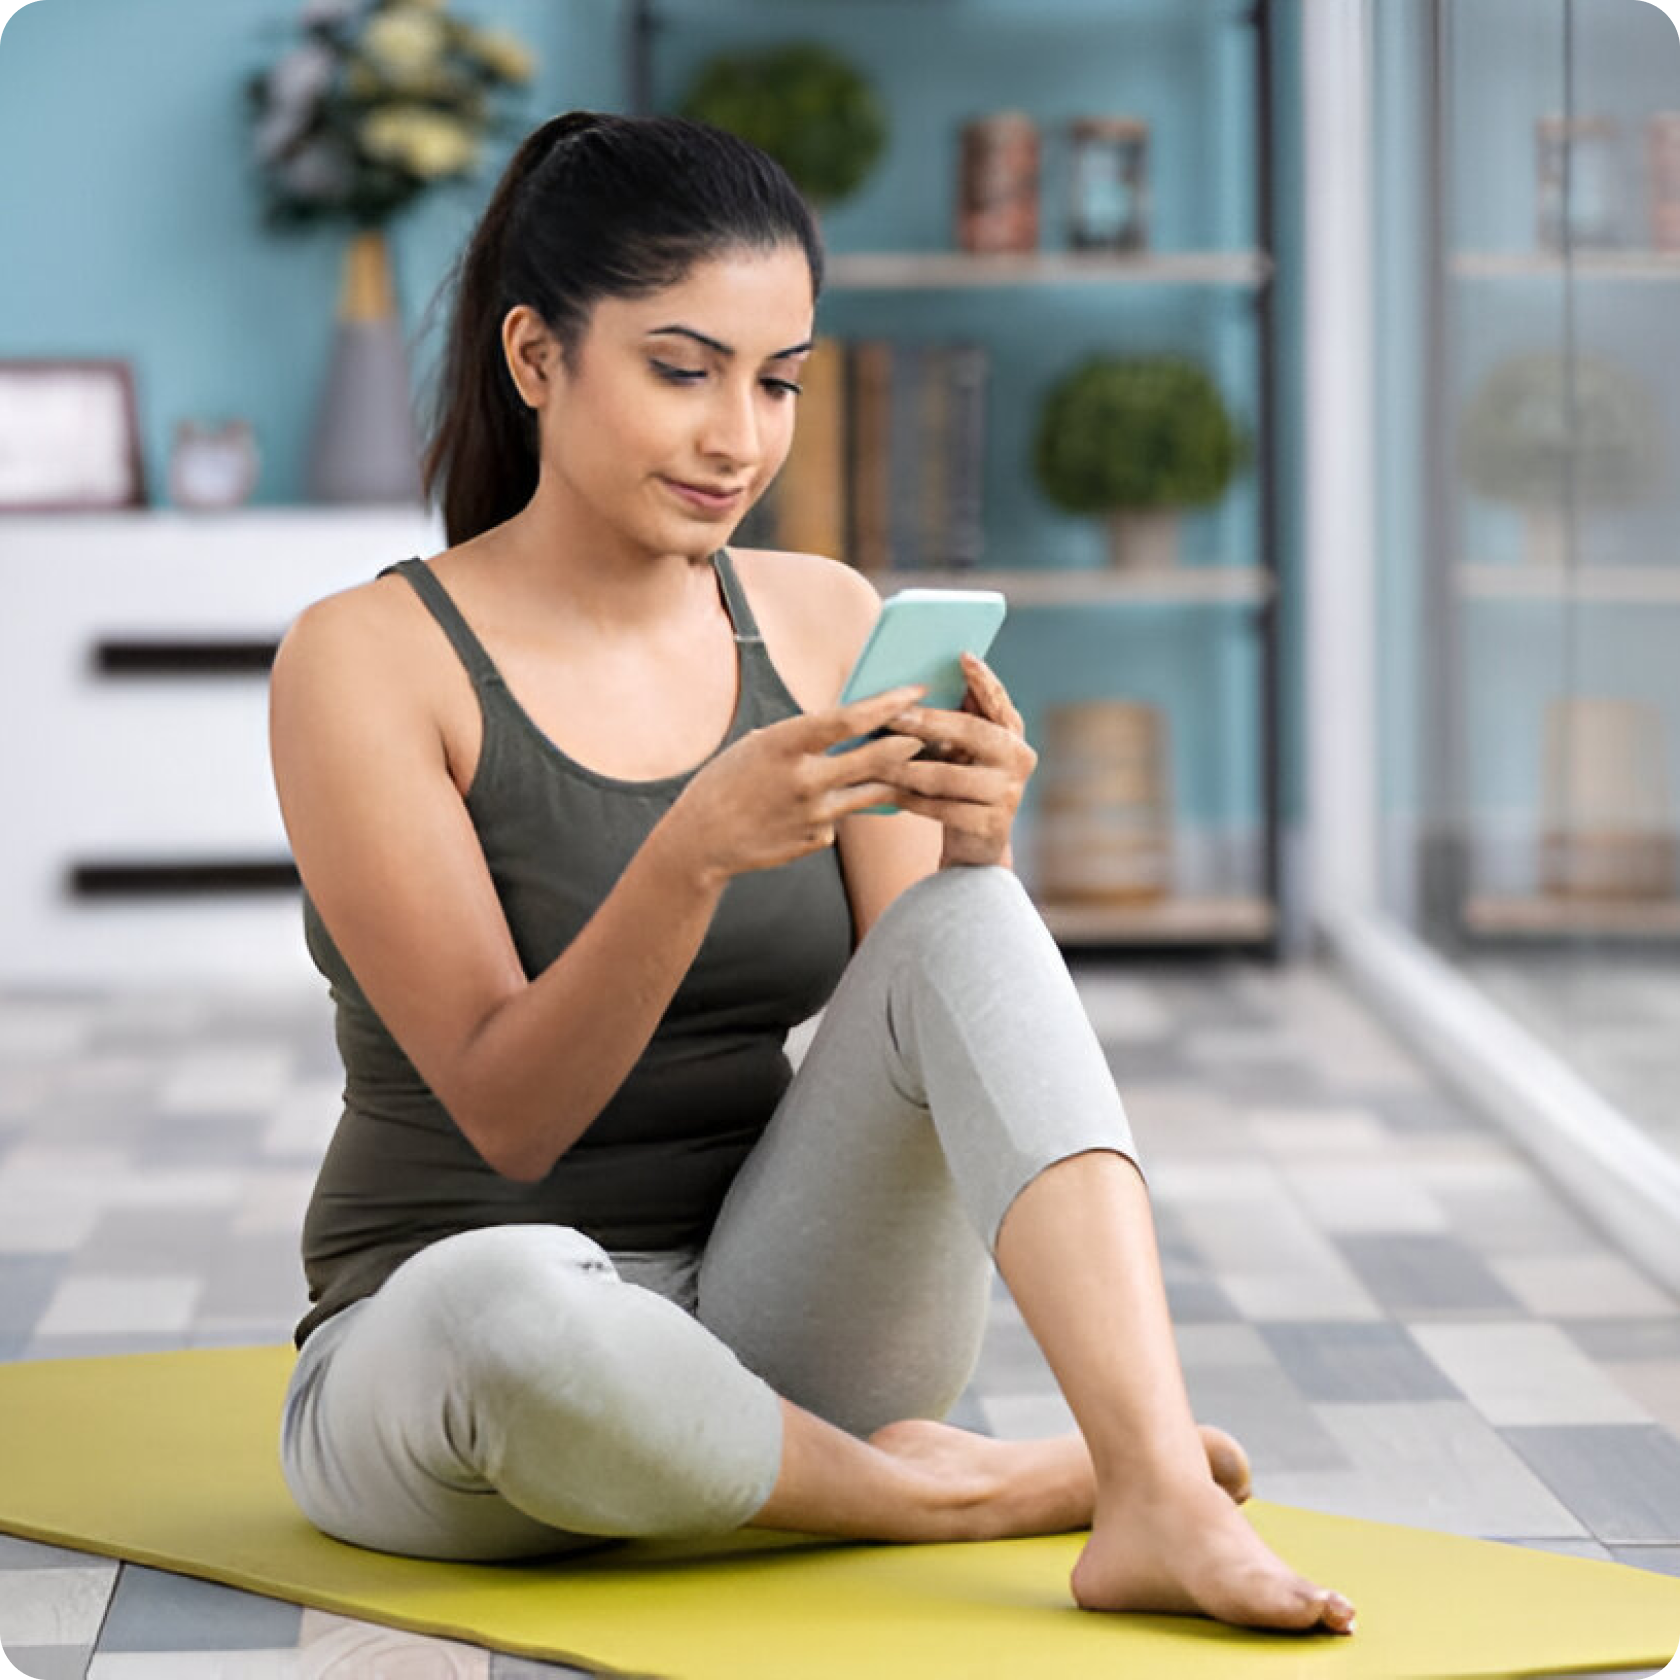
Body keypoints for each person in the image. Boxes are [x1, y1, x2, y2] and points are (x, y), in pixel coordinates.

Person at [267, 107, 1356, 1638]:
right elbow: (508, 1117)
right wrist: (694, 849)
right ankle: (944, 1492)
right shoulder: (367, 660)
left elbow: (923, 1009)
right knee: (512, 1308)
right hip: (457, 1359)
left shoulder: (822, 615)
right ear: (535, 358)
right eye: (681, 368)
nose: (740, 439)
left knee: (974, 920)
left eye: (777, 382)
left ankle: (1154, 1489)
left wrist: (975, 842)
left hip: (786, 1320)